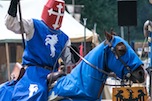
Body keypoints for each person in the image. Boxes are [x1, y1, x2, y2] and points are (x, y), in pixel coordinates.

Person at [1, 0, 76, 100]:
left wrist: (73, 58)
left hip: (54, 75)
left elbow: (70, 63)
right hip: (33, 73)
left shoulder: (64, 38)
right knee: (36, 93)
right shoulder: (33, 25)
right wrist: (13, 6)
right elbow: (11, 24)